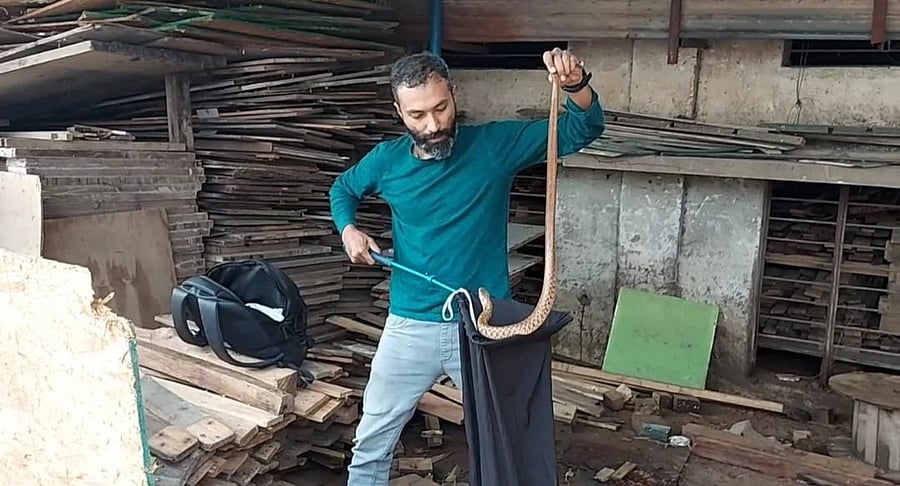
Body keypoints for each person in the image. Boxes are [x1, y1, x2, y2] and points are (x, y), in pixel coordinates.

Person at [328, 47, 605, 485]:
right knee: (371, 443)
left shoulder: (493, 146)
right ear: (398, 111)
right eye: (417, 115)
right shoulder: (386, 161)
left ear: (454, 93)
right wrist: (348, 229)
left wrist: (575, 85)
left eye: (440, 108)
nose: (433, 125)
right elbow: (343, 189)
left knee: (506, 441)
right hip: (409, 325)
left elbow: (581, 128)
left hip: (482, 325)